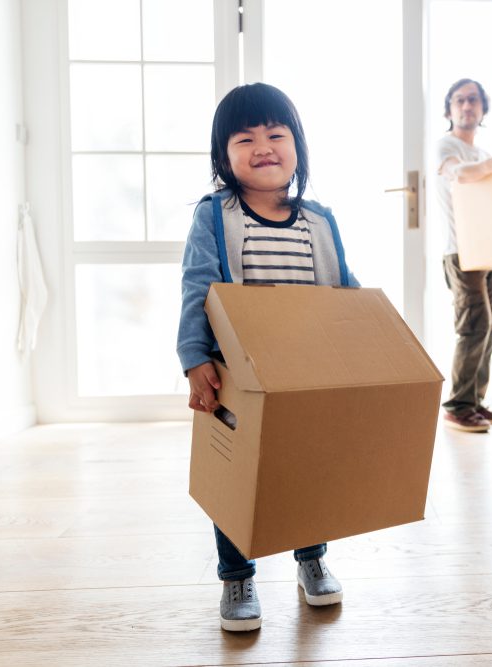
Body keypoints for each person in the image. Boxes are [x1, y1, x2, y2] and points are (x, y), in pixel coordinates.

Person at [177, 82, 354, 632]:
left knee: (308, 472)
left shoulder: (317, 220)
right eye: (245, 138)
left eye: (276, 134)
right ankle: (236, 576)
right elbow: (198, 288)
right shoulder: (216, 215)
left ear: (297, 145)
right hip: (241, 372)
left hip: (306, 373)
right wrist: (193, 356)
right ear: (223, 156)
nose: (263, 146)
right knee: (236, 478)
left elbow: (346, 291)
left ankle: (312, 558)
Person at [435, 78, 492, 433]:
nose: (467, 106)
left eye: (474, 101)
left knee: (491, 326)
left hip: (489, 250)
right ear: (449, 109)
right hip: (461, 251)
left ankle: (475, 401)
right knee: (474, 326)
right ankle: (457, 405)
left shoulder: (483, 155)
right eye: (460, 100)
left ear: (483, 109)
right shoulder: (446, 146)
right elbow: (458, 175)